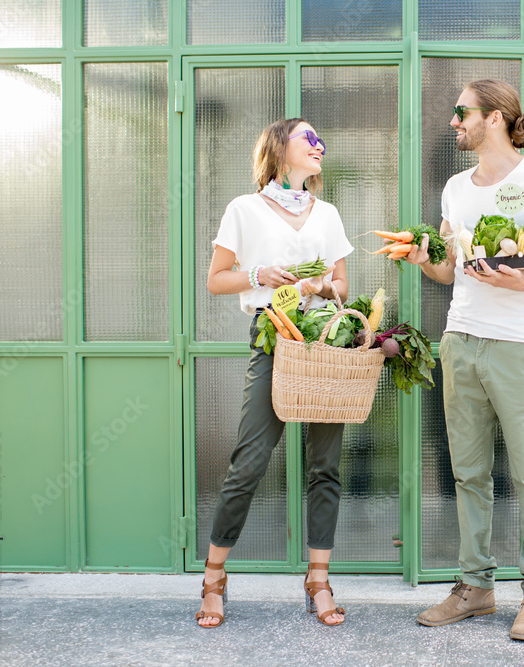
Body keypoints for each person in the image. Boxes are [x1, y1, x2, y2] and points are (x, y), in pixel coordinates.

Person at [408, 79, 524, 641]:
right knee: (468, 474)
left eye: (461, 112)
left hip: (516, 344)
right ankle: (476, 588)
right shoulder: (455, 187)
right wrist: (423, 258)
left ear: (493, 118)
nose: (453, 121)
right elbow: (448, 268)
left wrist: (523, 284)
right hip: (460, 339)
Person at [196, 118, 353, 628]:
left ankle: (319, 579)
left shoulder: (326, 214)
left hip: (325, 340)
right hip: (273, 334)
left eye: (320, 139)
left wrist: (325, 289)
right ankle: (214, 578)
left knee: (324, 465)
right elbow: (217, 280)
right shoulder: (244, 209)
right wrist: (259, 275)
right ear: (280, 148)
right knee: (249, 461)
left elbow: (344, 286)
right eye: (308, 138)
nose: (319, 145)